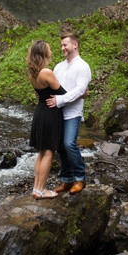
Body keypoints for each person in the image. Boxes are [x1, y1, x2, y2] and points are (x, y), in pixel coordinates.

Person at [46, 32, 92, 194]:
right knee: (60, 147)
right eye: (61, 45)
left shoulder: (83, 66)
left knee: (69, 143)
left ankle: (80, 178)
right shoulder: (59, 67)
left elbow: (80, 90)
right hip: (57, 113)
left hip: (73, 113)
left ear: (75, 45)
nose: (62, 48)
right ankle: (66, 179)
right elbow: (53, 87)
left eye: (65, 45)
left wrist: (60, 100)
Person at [27, 40, 67, 199]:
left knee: (42, 152)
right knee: (49, 152)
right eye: (49, 49)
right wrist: (81, 93)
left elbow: (41, 94)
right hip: (50, 113)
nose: (51, 51)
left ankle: (36, 188)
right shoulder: (46, 72)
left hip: (41, 111)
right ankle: (41, 190)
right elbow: (63, 94)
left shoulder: (33, 74)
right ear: (43, 53)